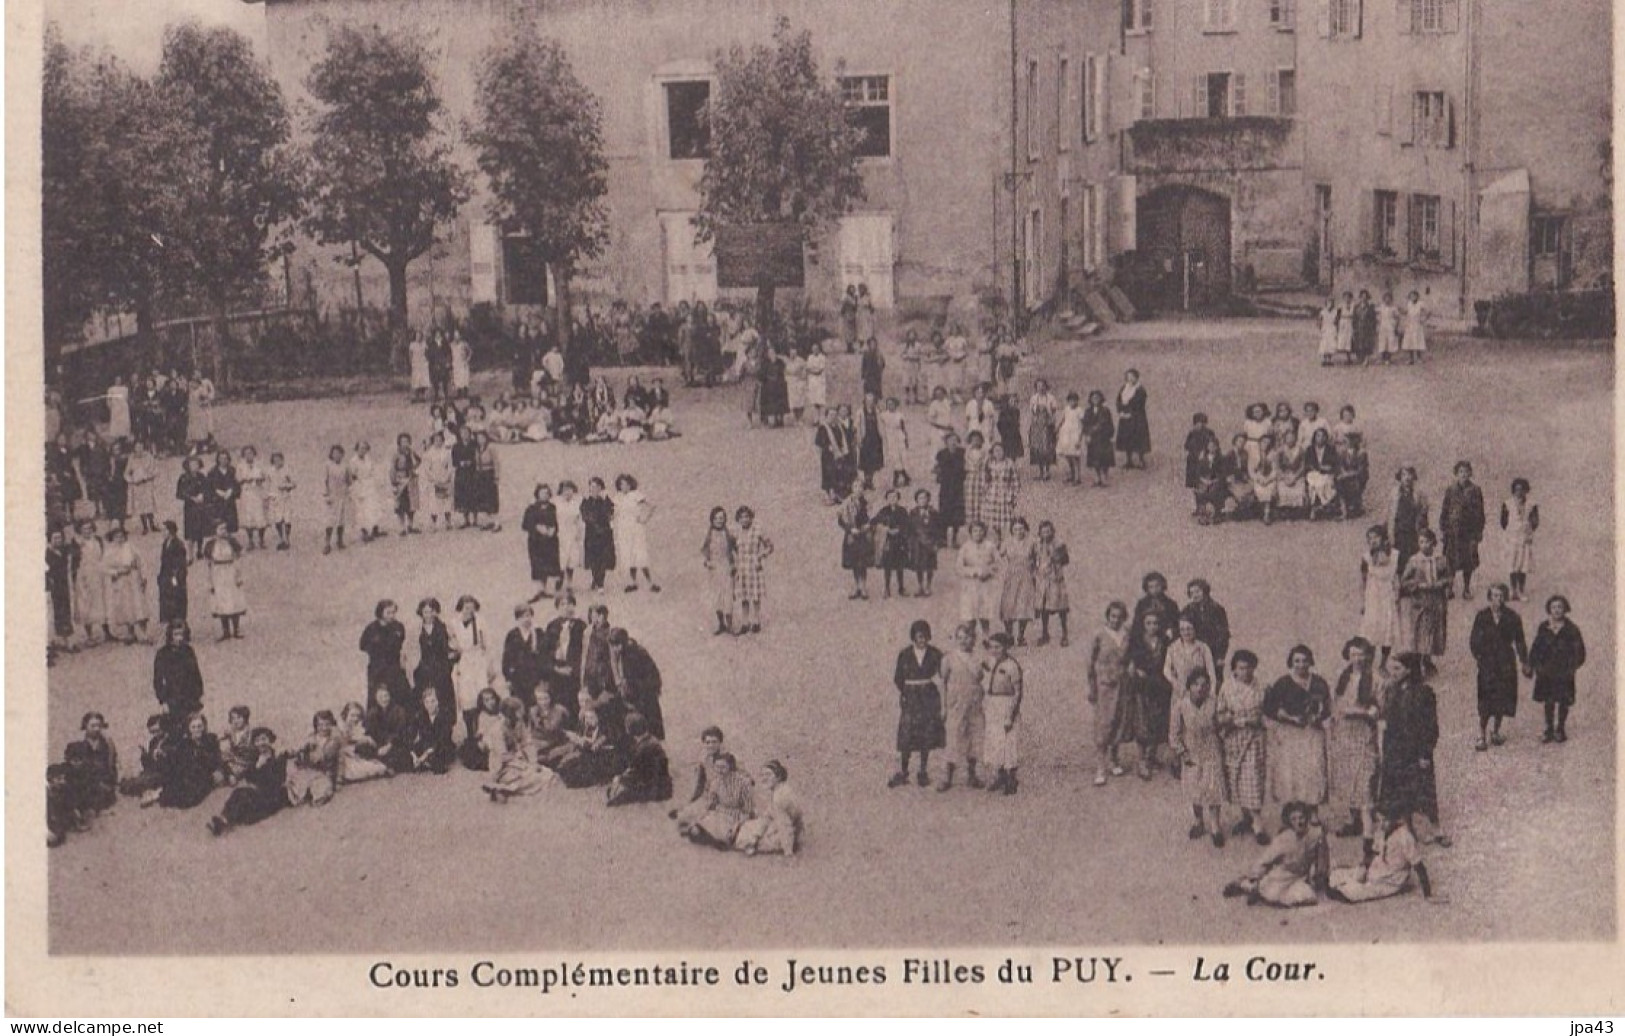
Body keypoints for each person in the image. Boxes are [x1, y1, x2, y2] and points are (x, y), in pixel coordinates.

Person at [1379, 653, 1448, 845]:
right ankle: (1409, 830)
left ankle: (1436, 829)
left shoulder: (1424, 693)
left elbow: (1430, 726)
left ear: (1409, 671)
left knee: (1424, 791)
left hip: (1416, 750)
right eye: (1391, 669)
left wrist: (1425, 753)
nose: (1392, 673)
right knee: (1401, 791)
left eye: (1397, 669)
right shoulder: (1392, 691)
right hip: (1395, 749)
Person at [1263, 645, 1330, 814]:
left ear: (1310, 661)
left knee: (1313, 770)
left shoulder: (1319, 682)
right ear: (1291, 662)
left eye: (1304, 661)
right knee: (1290, 771)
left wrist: (1318, 717)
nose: (1301, 665)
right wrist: (1289, 718)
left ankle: (1313, 811)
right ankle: (1291, 813)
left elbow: (1328, 707)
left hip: (1312, 734)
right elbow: (1269, 708)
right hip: (1290, 734)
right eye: (1297, 661)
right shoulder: (1283, 682)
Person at [1222, 802, 1328, 907]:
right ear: (1289, 822)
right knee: (1272, 893)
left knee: (1309, 896)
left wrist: (1319, 876)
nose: (1299, 822)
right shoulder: (1284, 838)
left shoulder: (1316, 834)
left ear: (1307, 818)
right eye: (1294, 819)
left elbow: (1322, 858)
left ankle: (1257, 889)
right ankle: (1247, 885)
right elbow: (1265, 860)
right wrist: (1255, 876)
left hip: (1301, 877)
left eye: (1301, 818)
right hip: (1282, 875)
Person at [1329, 637, 1382, 839]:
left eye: (1361, 654)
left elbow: (1379, 708)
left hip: (1365, 735)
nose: (1357, 659)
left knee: (1366, 776)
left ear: (1368, 656)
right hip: (1345, 735)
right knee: (1347, 776)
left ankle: (1368, 824)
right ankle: (1353, 820)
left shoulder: (1375, 679)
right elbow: (1336, 705)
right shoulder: (1341, 677)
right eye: (1353, 654)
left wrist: (1367, 712)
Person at [1216, 650, 1270, 844]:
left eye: (1248, 667)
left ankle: (1257, 823)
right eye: (1241, 667)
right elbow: (1220, 715)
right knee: (1236, 778)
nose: (1245, 671)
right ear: (1234, 669)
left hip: (1254, 739)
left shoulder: (1261, 686)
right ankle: (1245, 816)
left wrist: (1259, 720)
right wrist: (1231, 720)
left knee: (1253, 777)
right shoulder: (1226, 688)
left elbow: (1268, 713)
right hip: (1234, 738)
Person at [1328, 810, 1438, 904]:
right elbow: (1374, 853)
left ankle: (1341, 892)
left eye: (1385, 820)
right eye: (1380, 820)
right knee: (1340, 873)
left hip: (1390, 879)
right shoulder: (1383, 832)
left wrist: (1428, 894)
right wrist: (1364, 868)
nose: (1382, 823)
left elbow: (1419, 865)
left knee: (1361, 891)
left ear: (1398, 820)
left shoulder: (1405, 837)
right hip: (1377, 870)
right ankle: (1336, 884)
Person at [1467, 583, 1528, 751]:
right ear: (1489, 597)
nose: (1497, 600)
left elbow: (1520, 640)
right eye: (1494, 596)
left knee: (1502, 697)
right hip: (1487, 663)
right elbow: (1474, 640)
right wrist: (1479, 656)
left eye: (1501, 596)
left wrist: (1524, 661)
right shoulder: (1482, 617)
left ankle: (1496, 731)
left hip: (1506, 662)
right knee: (1485, 698)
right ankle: (1481, 734)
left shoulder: (1512, 617)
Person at [1171, 671, 1227, 847]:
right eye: (1196, 684)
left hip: (1211, 750)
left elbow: (1221, 726)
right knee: (1194, 789)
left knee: (1213, 788)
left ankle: (1215, 826)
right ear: (1189, 687)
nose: (1200, 688)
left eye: (1204, 684)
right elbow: (1174, 733)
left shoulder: (1214, 704)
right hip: (1191, 751)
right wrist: (1182, 752)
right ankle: (1198, 821)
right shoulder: (1180, 706)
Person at [890, 620, 946, 789]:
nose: (922, 640)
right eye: (919, 636)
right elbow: (898, 678)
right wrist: (907, 691)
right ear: (913, 637)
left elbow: (943, 674)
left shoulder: (935, 653)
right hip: (911, 696)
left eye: (925, 636)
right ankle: (904, 770)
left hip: (928, 696)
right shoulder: (905, 654)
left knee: (926, 732)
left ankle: (923, 770)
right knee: (907, 732)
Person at [1526, 594, 1586, 744]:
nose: (1557, 610)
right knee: (1549, 700)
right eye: (1554, 607)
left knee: (1564, 700)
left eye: (1560, 607)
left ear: (1565, 609)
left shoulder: (1572, 629)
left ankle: (1561, 728)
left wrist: (1571, 667)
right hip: (1546, 672)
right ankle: (1549, 729)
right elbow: (1536, 647)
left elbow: (1580, 652)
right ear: (1549, 609)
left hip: (1564, 672)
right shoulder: (1544, 627)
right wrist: (1533, 665)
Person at [206, 727, 288, 836]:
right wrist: (257, 765)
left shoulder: (278, 757)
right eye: (257, 741)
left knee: (244, 802)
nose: (261, 743)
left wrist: (262, 767)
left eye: (264, 739)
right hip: (258, 792)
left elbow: (277, 781)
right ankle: (222, 820)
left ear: (270, 740)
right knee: (239, 794)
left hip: (272, 796)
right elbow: (249, 777)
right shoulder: (255, 757)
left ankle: (223, 821)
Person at [936, 622, 986, 792]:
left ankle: (972, 775)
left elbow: (983, 676)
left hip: (974, 704)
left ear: (974, 639)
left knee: (974, 738)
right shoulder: (948, 658)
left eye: (968, 638)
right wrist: (943, 706)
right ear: (956, 639)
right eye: (960, 638)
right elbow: (942, 683)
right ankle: (947, 777)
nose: (964, 641)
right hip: (955, 704)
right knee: (953, 739)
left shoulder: (978, 659)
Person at [1085, 602, 1131, 786]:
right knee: (1104, 723)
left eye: (1119, 616)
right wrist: (1092, 687)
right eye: (1112, 616)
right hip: (1105, 684)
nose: (1116, 620)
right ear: (1108, 616)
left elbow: (1130, 658)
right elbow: (1090, 663)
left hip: (1123, 683)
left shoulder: (1127, 634)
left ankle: (1115, 759)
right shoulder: (1099, 635)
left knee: (1119, 721)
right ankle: (1100, 766)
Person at [677, 751, 755, 849]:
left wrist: (739, 824)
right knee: (695, 832)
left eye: (723, 767)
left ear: (730, 767)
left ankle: (719, 839)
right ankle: (712, 838)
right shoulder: (715, 782)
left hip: (736, 815)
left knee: (727, 834)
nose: (719, 770)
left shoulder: (743, 783)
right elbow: (711, 805)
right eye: (717, 767)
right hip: (719, 813)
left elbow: (748, 809)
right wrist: (702, 817)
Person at [980, 632, 1024, 795]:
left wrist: (1010, 715)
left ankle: (1011, 779)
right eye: (991, 647)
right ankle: (999, 776)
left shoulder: (1012, 666)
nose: (994, 650)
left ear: (1006, 647)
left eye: (998, 647)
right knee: (995, 742)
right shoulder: (989, 662)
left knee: (1008, 743)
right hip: (992, 705)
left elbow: (1018, 692)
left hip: (1006, 704)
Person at [1397, 527, 1450, 662]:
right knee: (1421, 629)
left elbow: (1448, 576)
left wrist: (1441, 583)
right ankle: (1418, 658)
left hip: (1437, 600)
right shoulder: (1414, 561)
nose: (1424, 545)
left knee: (1435, 628)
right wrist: (1418, 585)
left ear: (1433, 543)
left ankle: (1428, 659)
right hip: (1420, 600)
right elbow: (1404, 581)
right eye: (1421, 542)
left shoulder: (1440, 560)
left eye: (1427, 542)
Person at [155, 712, 224, 810]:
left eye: (200, 726)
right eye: (194, 727)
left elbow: (218, 758)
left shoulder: (211, 740)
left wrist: (219, 770)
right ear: (189, 729)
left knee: (192, 798)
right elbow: (179, 762)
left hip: (206, 775)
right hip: (190, 775)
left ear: (204, 727)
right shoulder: (184, 744)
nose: (197, 730)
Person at [733, 760, 802, 856]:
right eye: (762, 775)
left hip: (788, 828)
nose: (764, 778)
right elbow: (767, 816)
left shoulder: (781, 796)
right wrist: (755, 837)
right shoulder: (777, 791)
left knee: (757, 839)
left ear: (778, 777)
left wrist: (788, 851)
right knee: (748, 827)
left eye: (768, 775)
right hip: (778, 822)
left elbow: (785, 824)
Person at [1440, 461, 1487, 600]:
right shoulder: (1450, 490)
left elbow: (1480, 512)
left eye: (1466, 472)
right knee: (1450, 561)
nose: (1464, 474)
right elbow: (1445, 510)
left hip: (1469, 532)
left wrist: (1478, 532)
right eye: (1461, 472)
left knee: (1468, 561)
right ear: (1456, 474)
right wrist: (1443, 528)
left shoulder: (1476, 490)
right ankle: (1449, 587)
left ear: (1470, 473)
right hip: (1453, 532)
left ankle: (1466, 588)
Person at [605, 713, 673, 807]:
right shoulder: (652, 740)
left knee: (619, 795)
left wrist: (620, 779)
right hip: (665, 785)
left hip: (654, 789)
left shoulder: (642, 748)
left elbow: (634, 773)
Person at [542, 593, 587, 723]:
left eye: (569, 603)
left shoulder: (581, 626)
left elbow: (583, 651)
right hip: (557, 674)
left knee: (575, 705)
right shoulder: (552, 626)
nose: (567, 607)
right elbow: (545, 652)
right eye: (562, 604)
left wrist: (572, 668)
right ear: (557, 607)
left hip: (574, 674)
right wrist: (555, 668)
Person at [102, 527, 150, 644]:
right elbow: (104, 568)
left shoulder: (130, 547)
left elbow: (141, 561)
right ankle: (130, 632)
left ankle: (143, 634)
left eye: (121, 536)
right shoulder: (109, 551)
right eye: (117, 537)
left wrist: (143, 577)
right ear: (112, 538)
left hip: (133, 579)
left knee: (139, 605)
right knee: (126, 606)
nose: (120, 539)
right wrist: (116, 572)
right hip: (121, 581)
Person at [611, 474, 658, 593]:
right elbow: (612, 513)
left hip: (636, 528)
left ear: (631, 484)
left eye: (626, 484)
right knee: (629, 556)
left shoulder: (636, 495)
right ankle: (633, 582)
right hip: (623, 530)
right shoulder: (617, 498)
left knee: (640, 555)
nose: (624, 486)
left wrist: (644, 519)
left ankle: (650, 583)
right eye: (622, 484)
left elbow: (652, 506)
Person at [359, 600, 410, 710]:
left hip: (395, 668)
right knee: (377, 698)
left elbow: (402, 644)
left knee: (400, 696)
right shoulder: (371, 629)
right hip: (378, 670)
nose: (392, 616)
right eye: (388, 613)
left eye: (393, 612)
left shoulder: (398, 627)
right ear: (380, 613)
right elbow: (363, 646)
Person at [1360, 526, 1400, 662]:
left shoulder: (1394, 555)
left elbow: (1397, 577)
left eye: (1376, 537)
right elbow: (1364, 580)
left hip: (1388, 596)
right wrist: (1363, 602)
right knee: (1372, 630)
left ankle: (1383, 663)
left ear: (1383, 538)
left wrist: (1398, 596)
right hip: (1373, 597)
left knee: (1387, 630)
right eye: (1369, 538)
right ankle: (1369, 662)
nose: (1373, 541)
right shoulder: (1366, 558)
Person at [286, 710, 342, 807]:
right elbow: (300, 753)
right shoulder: (310, 738)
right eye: (320, 725)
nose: (324, 728)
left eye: (327, 724)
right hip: (309, 770)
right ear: (316, 726)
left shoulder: (335, 741)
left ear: (332, 725)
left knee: (322, 786)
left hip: (324, 771)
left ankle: (317, 795)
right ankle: (301, 794)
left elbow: (340, 761)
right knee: (299, 780)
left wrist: (338, 780)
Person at [731, 506, 773, 633]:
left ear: (751, 517)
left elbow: (770, 546)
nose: (744, 520)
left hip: (754, 566)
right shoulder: (736, 533)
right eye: (742, 517)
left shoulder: (757, 530)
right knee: (744, 597)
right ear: (738, 519)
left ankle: (756, 621)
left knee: (755, 596)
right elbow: (732, 548)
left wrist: (761, 556)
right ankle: (745, 622)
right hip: (742, 567)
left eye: (747, 517)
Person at [203, 521, 247, 641]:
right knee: (221, 602)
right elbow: (208, 563)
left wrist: (238, 576)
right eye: (220, 529)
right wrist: (210, 581)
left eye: (224, 528)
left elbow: (238, 558)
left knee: (233, 600)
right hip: (218, 574)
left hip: (230, 572)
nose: (223, 531)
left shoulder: (232, 541)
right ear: (215, 531)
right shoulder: (211, 544)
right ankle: (225, 630)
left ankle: (236, 629)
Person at [1498, 478, 1539, 601]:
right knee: (1512, 563)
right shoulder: (1508, 504)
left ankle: (1521, 590)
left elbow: (1535, 521)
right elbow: (1503, 521)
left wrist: (1528, 530)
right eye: (1516, 490)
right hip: (1512, 537)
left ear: (1526, 491)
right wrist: (1512, 530)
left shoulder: (1531, 505)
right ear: (1513, 491)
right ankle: (1513, 590)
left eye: (1522, 490)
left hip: (1524, 537)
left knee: (1523, 565)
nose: (1519, 492)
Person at [956, 521, 999, 634]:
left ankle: (986, 637)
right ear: (971, 533)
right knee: (970, 614)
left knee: (984, 614)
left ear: (985, 532)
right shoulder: (965, 547)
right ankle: (971, 637)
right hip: (970, 585)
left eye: (981, 531)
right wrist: (973, 572)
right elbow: (959, 567)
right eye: (975, 531)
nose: (978, 533)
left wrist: (989, 571)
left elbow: (998, 563)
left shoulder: (990, 546)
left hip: (985, 585)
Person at [521, 484, 562, 601]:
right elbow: (525, 525)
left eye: (547, 493)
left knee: (549, 564)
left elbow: (556, 522)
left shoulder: (552, 507)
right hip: (536, 542)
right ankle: (538, 590)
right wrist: (537, 528)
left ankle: (545, 589)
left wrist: (552, 529)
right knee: (537, 564)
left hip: (550, 541)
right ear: (537, 494)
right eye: (542, 493)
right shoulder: (531, 509)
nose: (545, 495)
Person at [1164, 616, 1217, 706]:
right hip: (1180, 692)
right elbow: (1166, 670)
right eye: (1182, 630)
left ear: (1195, 629)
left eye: (1189, 629)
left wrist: (1212, 692)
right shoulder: (1173, 648)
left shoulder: (1203, 648)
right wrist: (1175, 683)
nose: (1186, 632)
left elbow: (1211, 672)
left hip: (1200, 691)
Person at [335, 702, 391, 783]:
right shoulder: (339, 728)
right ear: (345, 715)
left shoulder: (355, 727)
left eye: (358, 716)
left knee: (378, 766)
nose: (355, 718)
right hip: (340, 759)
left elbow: (357, 739)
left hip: (351, 755)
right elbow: (339, 749)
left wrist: (364, 739)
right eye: (352, 715)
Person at [364, 685, 415, 774]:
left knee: (402, 754)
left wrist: (388, 746)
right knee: (362, 748)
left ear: (390, 696)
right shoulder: (372, 713)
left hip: (394, 744)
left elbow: (400, 732)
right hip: (378, 745)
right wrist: (371, 740)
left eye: (386, 696)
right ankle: (383, 765)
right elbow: (369, 731)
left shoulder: (399, 711)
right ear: (376, 698)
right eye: (380, 697)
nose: (384, 699)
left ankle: (384, 765)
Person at [407, 686, 457, 774]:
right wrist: (413, 755)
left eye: (433, 701)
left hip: (440, 746)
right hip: (425, 744)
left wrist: (425, 755)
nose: (430, 705)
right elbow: (411, 735)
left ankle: (425, 763)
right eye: (427, 702)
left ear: (438, 702)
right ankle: (423, 763)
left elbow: (443, 738)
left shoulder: (445, 715)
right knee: (406, 757)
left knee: (439, 761)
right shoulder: (420, 716)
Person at [580, 478, 617, 591]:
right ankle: (595, 579)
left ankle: (600, 583)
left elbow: (610, 514)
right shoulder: (586, 502)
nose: (594, 489)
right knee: (593, 559)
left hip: (605, 534)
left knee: (603, 559)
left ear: (601, 488)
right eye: (591, 486)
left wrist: (606, 501)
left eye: (596, 487)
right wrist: (595, 524)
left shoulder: (606, 501)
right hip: (591, 534)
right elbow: (585, 516)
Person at [837, 487, 873, 600]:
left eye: (860, 488)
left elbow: (871, 518)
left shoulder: (866, 503)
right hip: (851, 535)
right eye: (856, 488)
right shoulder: (846, 503)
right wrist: (850, 529)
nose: (858, 490)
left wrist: (868, 525)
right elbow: (841, 520)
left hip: (863, 535)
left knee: (863, 562)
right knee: (854, 562)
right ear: (852, 489)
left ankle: (863, 586)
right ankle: (856, 585)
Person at [933, 432, 967, 548]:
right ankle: (942, 539)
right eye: (950, 440)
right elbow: (937, 468)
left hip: (958, 487)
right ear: (946, 442)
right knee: (944, 512)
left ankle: (954, 539)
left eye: (955, 440)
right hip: (946, 487)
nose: (953, 443)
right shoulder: (941, 454)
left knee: (957, 513)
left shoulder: (962, 452)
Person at [906, 489, 940, 598]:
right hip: (918, 543)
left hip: (930, 542)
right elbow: (910, 528)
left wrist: (937, 543)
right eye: (920, 498)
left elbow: (938, 528)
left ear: (928, 499)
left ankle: (928, 586)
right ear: (916, 500)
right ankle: (920, 585)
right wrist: (911, 542)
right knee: (919, 566)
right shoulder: (913, 513)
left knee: (930, 565)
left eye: (925, 498)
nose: (923, 500)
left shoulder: (933, 513)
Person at [1115, 370, 1150, 469]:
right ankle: (1129, 460)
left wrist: (1130, 412)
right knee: (1127, 438)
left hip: (1137, 418)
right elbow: (1118, 400)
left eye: (1132, 377)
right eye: (1128, 376)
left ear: (1136, 377)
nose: (1130, 379)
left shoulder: (1140, 390)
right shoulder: (1124, 388)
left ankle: (1141, 460)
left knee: (1139, 439)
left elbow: (1138, 404)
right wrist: (1121, 411)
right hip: (1125, 418)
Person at [237, 446, 268, 550]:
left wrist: (259, 479)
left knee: (260, 516)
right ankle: (250, 540)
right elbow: (238, 479)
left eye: (250, 453)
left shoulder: (259, 464)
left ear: (254, 454)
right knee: (248, 517)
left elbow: (265, 476)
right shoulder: (240, 466)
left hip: (258, 492)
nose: (248, 455)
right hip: (246, 493)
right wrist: (246, 479)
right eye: (246, 453)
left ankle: (261, 539)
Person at [322, 445, 350, 554]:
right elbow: (324, 480)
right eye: (334, 453)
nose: (337, 455)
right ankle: (327, 543)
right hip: (331, 495)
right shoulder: (328, 465)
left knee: (341, 520)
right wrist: (326, 494)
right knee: (330, 520)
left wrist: (347, 490)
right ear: (331, 454)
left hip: (342, 495)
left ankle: (340, 541)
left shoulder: (345, 466)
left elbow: (349, 480)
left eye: (339, 453)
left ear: (342, 455)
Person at [855, 393, 885, 491]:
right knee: (865, 460)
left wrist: (882, 436)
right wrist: (858, 439)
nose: (870, 403)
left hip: (875, 439)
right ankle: (866, 480)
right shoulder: (860, 412)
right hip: (866, 438)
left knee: (874, 460)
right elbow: (857, 426)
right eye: (868, 401)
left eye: (872, 401)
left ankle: (870, 480)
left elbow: (881, 424)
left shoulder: (877, 411)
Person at [1402, 289, 1428, 363]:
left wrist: (1424, 320)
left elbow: (1428, 312)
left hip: (1417, 325)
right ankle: (1411, 359)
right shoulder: (1409, 304)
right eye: (1411, 296)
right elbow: (1406, 312)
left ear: (1417, 296)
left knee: (1418, 340)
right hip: (1410, 324)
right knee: (1410, 341)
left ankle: (1419, 358)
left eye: (1414, 295)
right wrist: (1400, 310)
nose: (1413, 297)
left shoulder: (1420, 304)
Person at [1374, 292, 1401, 363]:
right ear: (1384, 299)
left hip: (1391, 326)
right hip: (1382, 326)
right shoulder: (1381, 307)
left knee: (1390, 342)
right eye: (1386, 298)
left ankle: (1388, 359)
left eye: (1389, 298)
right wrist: (1377, 322)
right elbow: (1375, 313)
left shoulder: (1393, 308)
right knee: (1383, 342)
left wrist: (1396, 327)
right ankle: (1382, 358)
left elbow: (1398, 318)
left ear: (1391, 299)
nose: (1387, 300)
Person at [1318, 296, 1341, 366]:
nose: (1330, 304)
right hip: (1325, 328)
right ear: (1326, 303)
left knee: (1331, 344)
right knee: (1325, 344)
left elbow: (1337, 321)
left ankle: (1329, 359)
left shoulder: (1335, 312)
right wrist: (1320, 328)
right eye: (1328, 302)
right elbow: (1319, 321)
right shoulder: (1323, 312)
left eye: (1331, 303)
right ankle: (1324, 359)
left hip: (1332, 328)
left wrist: (1337, 328)